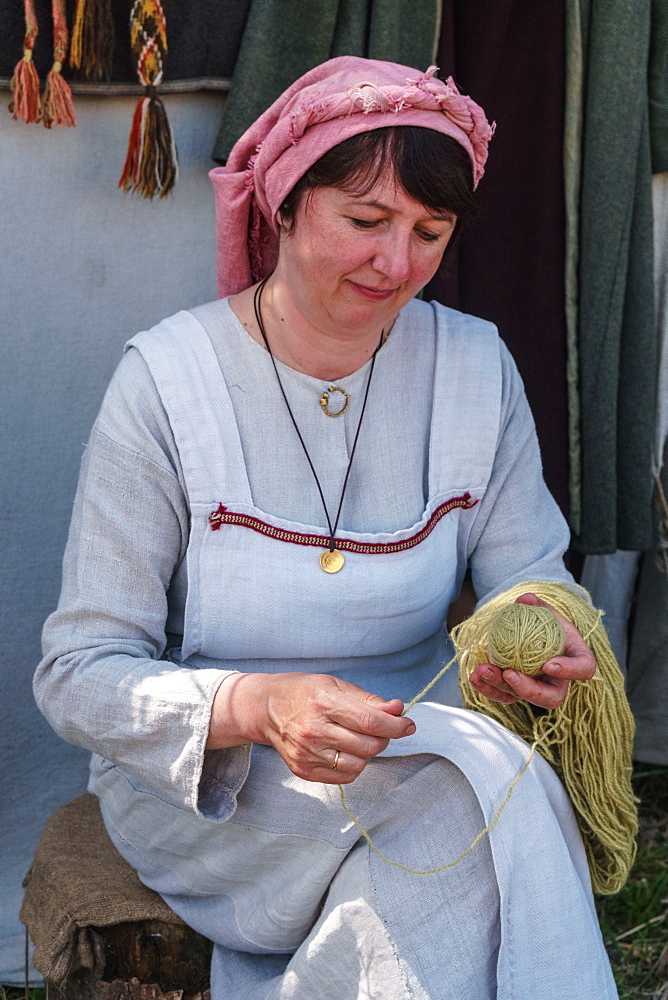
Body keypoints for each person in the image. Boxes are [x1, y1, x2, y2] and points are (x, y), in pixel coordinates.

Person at [35, 58, 618, 999]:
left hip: (424, 748)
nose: (398, 264)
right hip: (215, 787)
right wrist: (260, 707)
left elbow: (530, 573)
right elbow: (79, 675)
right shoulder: (168, 385)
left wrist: (541, 635)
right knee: (475, 823)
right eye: (365, 221)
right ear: (287, 205)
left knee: (468, 803)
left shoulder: (474, 367)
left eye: (431, 232)